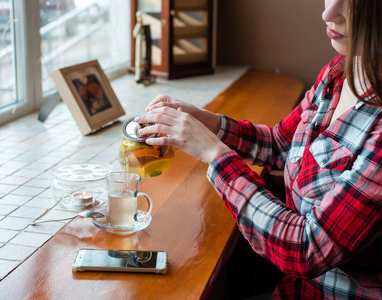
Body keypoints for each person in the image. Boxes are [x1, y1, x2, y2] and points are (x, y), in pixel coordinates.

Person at [135, 0, 382, 299]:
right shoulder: (340, 70)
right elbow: (281, 142)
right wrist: (210, 123)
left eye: (356, 5)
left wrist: (214, 154)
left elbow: (306, 249)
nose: (327, 13)